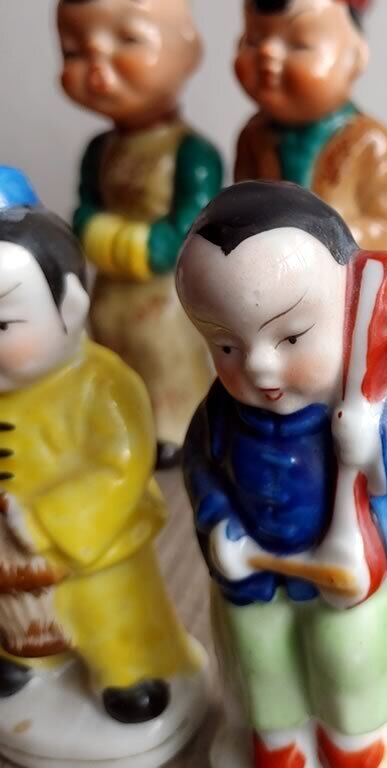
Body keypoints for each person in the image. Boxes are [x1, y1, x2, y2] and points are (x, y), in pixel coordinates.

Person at [179, 181, 387, 768]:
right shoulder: (222, 413)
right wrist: (217, 522)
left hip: (356, 564)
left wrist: (377, 437)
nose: (258, 365)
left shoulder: (375, 396)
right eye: (225, 344)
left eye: (290, 337)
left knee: (350, 647)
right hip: (262, 569)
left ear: (348, 309)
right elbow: (200, 464)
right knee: (257, 646)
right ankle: (278, 737)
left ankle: (353, 735)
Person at [0, 166, 202, 732]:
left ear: (69, 307)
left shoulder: (104, 385)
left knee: (109, 610)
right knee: (18, 617)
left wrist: (43, 518)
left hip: (92, 544)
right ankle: (26, 659)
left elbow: (119, 465)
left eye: (3, 323)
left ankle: (129, 672)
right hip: (9, 560)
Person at [57, 0, 224, 468]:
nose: (97, 66)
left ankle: (177, 427)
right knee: (109, 357)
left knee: (165, 359)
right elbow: (83, 213)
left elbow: (188, 231)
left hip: (166, 298)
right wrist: (105, 234)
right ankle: (117, 427)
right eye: (74, 51)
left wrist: (122, 241)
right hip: (109, 292)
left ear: (188, 50)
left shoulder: (192, 153)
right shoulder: (99, 150)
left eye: (128, 40)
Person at [233, 0, 387, 253]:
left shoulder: (372, 141)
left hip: (338, 272)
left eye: (299, 44)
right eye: (253, 41)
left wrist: (327, 237)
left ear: (355, 57)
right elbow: (239, 211)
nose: (266, 52)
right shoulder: (253, 136)